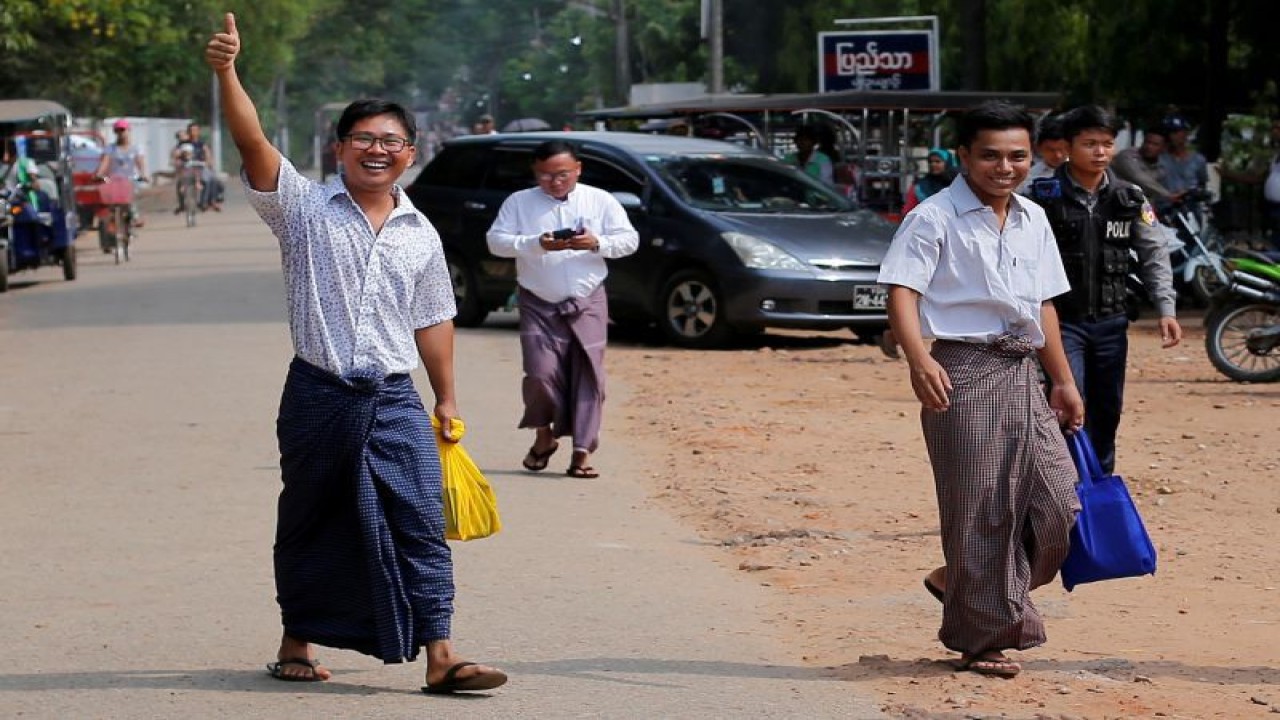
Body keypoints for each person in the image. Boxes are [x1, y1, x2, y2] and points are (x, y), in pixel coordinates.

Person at [204, 13, 507, 693]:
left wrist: (447, 396)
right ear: (339, 148)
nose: (378, 149)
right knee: (311, 517)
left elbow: (433, 318)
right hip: (318, 394)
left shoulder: (420, 233)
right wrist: (226, 70)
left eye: (391, 141)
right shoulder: (302, 210)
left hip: (395, 398)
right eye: (364, 139)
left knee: (421, 520)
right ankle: (297, 643)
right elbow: (250, 137)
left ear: (412, 150)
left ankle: (442, 654)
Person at [876, 100, 1085, 679]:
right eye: (989, 155)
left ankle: (955, 581)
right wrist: (919, 360)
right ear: (963, 156)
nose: (1005, 166)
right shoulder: (935, 217)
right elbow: (901, 291)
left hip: (1024, 373)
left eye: (1017, 155)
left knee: (1060, 506)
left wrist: (1063, 380)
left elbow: (1041, 304)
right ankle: (980, 637)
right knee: (980, 509)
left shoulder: (1032, 218)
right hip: (962, 372)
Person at [1028, 105, 1183, 474]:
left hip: (1112, 324)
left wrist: (1166, 309)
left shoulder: (1130, 198)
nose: (1100, 152)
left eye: (1107, 144)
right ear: (1067, 146)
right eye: (1090, 143)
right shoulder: (1041, 198)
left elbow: (1153, 252)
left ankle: (1100, 485)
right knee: (1067, 403)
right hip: (1061, 323)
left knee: (1107, 411)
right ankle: (1064, 491)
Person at [486, 140, 639, 479]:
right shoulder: (520, 202)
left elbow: (629, 240)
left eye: (562, 174)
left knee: (589, 374)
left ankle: (582, 452)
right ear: (534, 173)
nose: (554, 182)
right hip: (538, 299)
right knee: (540, 374)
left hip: (588, 300)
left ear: (578, 169)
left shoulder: (600, 200)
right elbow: (495, 241)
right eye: (545, 175)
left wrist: (597, 242)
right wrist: (536, 243)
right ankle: (544, 436)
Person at [1111, 125, 1184, 214]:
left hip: (1141, 210)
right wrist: (1168, 195)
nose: (1149, 147)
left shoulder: (1161, 166)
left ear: (1164, 148)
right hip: (1114, 206)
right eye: (1147, 142)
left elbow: (1171, 183)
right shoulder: (1127, 156)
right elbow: (1139, 178)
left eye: (1155, 144)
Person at [94, 118, 147, 227]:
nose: (121, 133)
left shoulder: (136, 148)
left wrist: (143, 174)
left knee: (130, 200)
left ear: (128, 130)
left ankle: (135, 217)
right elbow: (105, 161)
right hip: (114, 180)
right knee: (110, 202)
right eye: (118, 131)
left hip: (130, 179)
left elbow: (140, 162)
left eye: (123, 130)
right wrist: (100, 174)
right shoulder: (110, 148)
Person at [1158, 115, 1209, 197]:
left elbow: (1202, 184)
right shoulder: (1159, 158)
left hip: (1190, 205)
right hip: (1165, 205)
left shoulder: (1198, 159)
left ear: (1185, 133)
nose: (1172, 136)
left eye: (1176, 132)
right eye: (1168, 132)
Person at [1015, 113, 1067, 192]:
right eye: (1051, 150)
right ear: (1038, 148)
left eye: (1063, 149)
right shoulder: (1029, 176)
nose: (1058, 155)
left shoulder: (1082, 170)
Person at [901, 148, 958, 214]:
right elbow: (908, 212)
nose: (933, 164)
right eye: (930, 162)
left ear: (948, 163)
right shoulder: (919, 187)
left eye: (937, 161)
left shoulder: (958, 185)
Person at [186, 122, 225, 211]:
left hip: (201, 166)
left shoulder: (202, 144)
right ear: (188, 132)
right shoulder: (185, 143)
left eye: (195, 130)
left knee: (213, 180)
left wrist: (208, 162)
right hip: (189, 168)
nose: (193, 132)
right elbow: (177, 153)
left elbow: (207, 154)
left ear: (198, 132)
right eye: (192, 130)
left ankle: (211, 201)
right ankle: (202, 202)